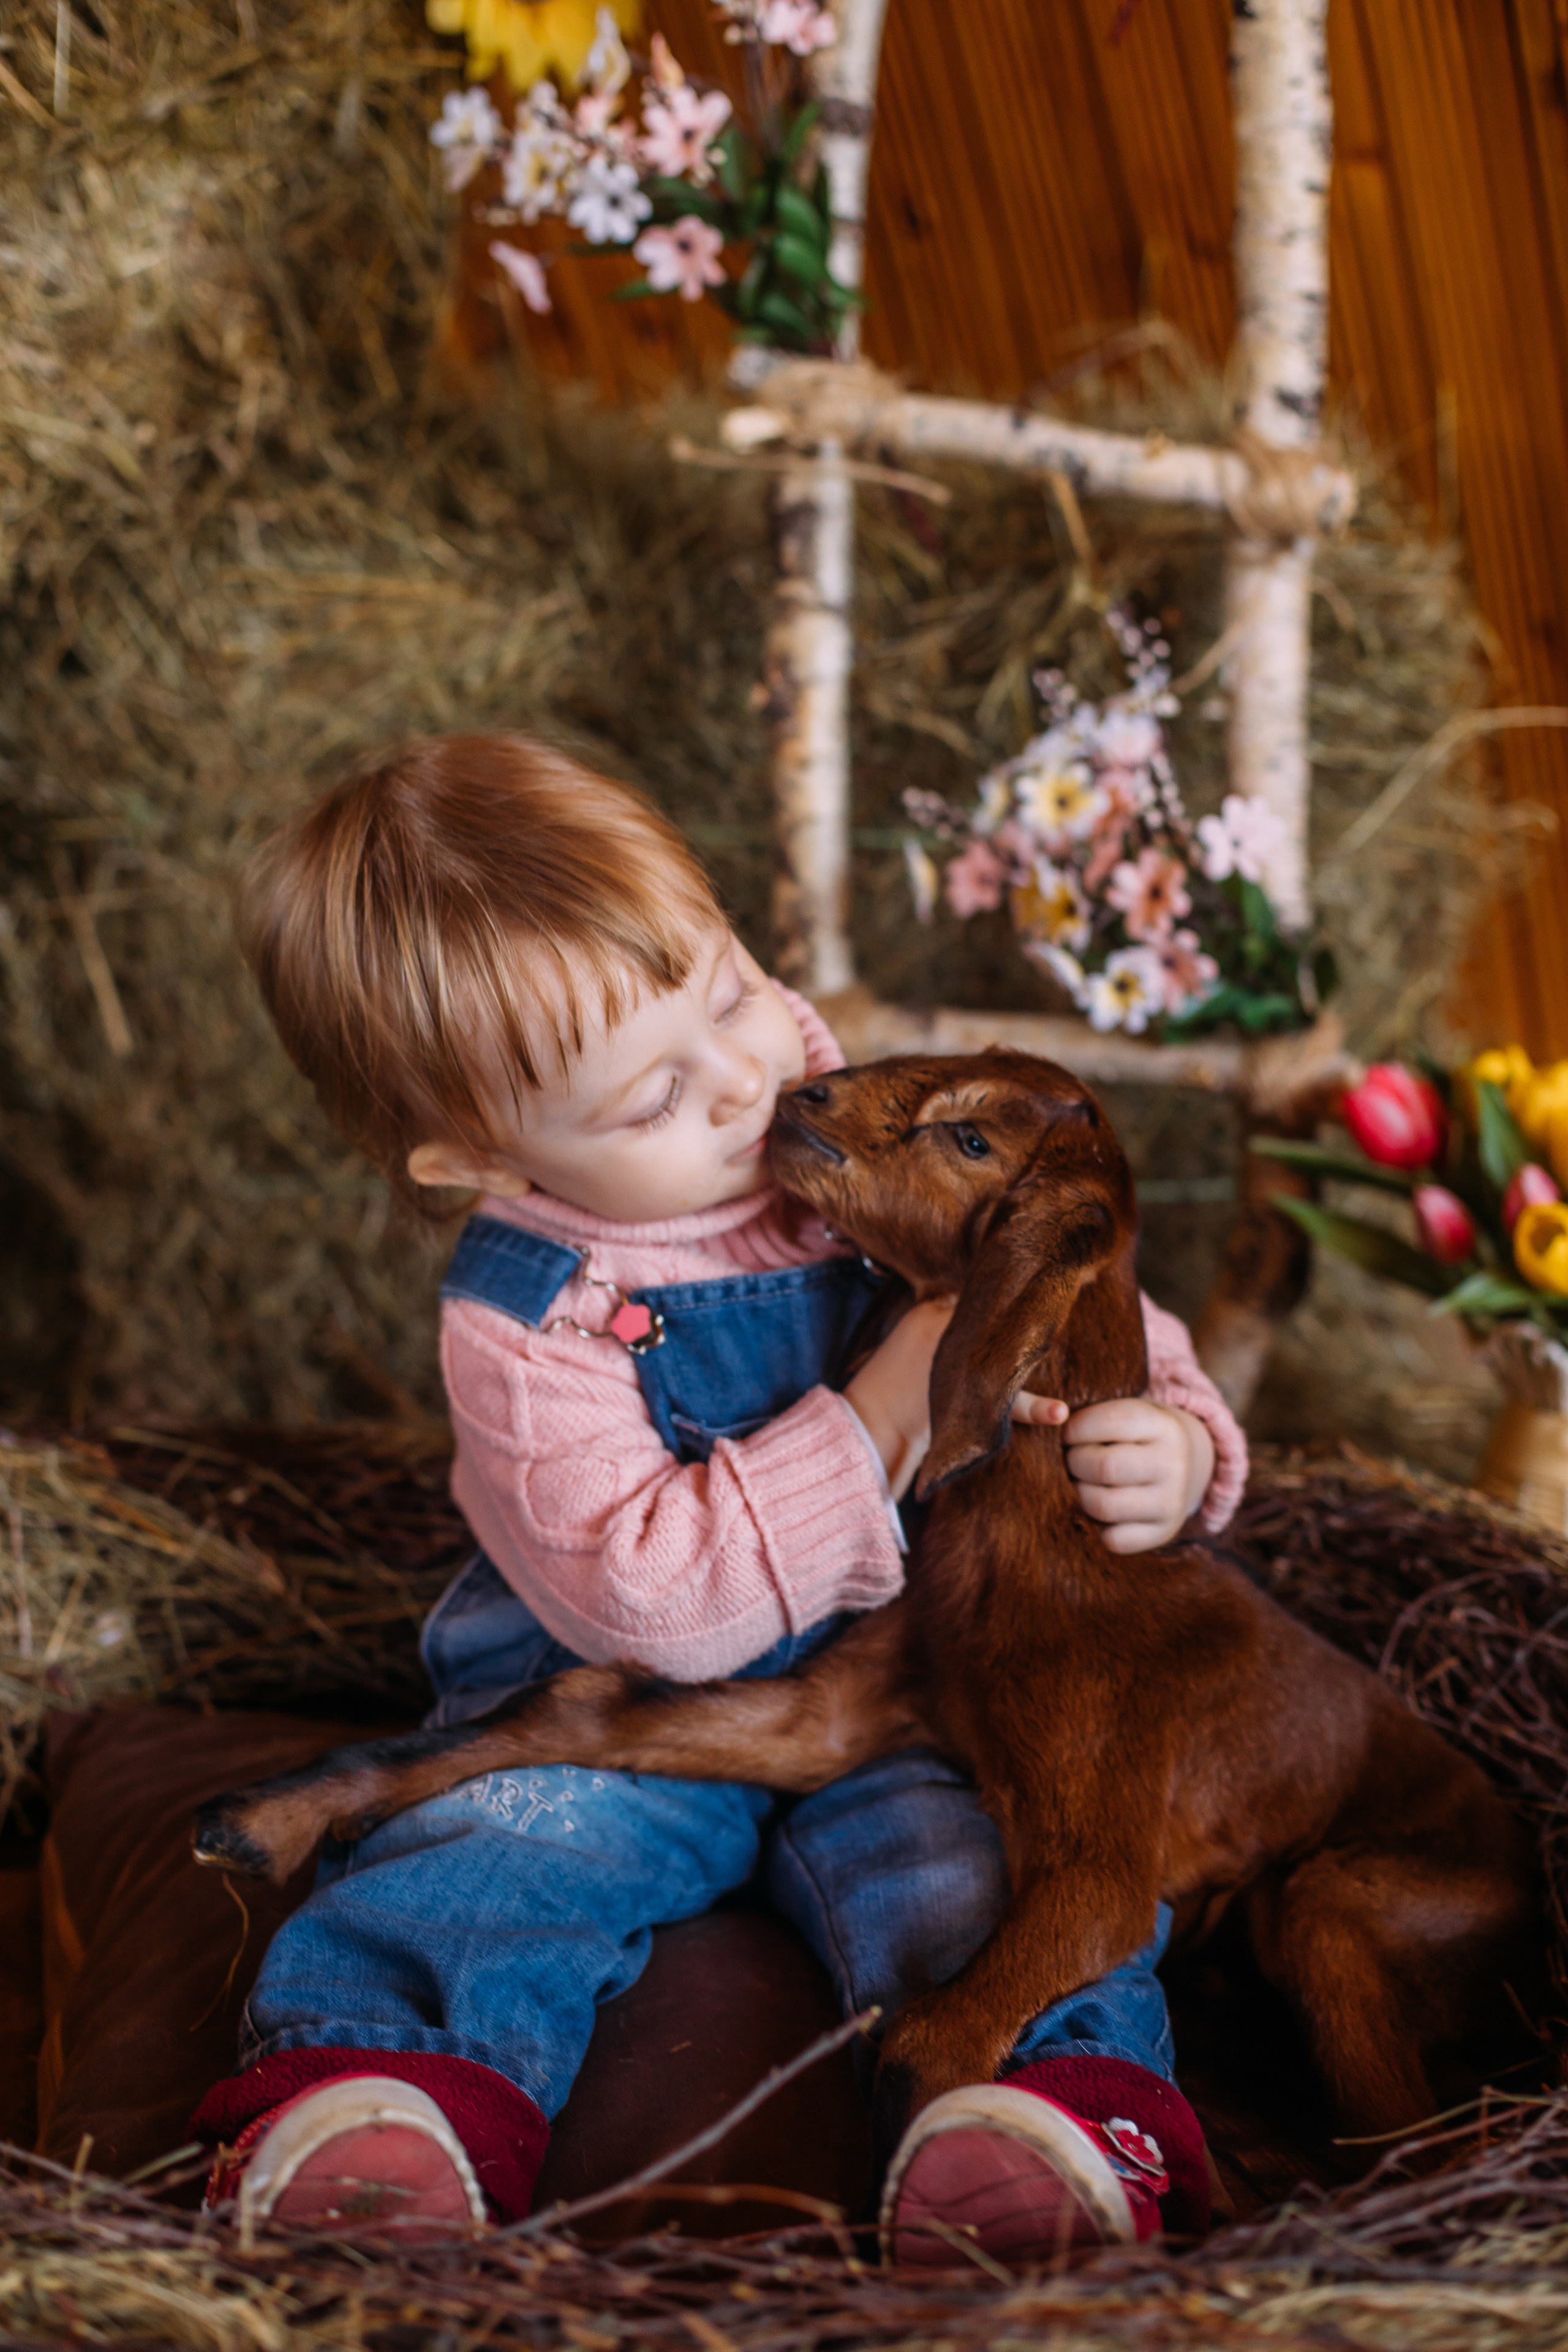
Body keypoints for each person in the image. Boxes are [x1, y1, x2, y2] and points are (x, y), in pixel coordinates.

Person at [193, 734, 1246, 2261]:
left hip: (920, 1693)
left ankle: (1043, 2122)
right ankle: (378, 2102)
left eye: (731, 984)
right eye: (655, 1093)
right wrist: (881, 1413)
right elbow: (654, 1609)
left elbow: (1098, 1314)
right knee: (499, 1850)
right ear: (478, 1152)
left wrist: (1178, 1447)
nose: (748, 1074)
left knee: (992, 1869)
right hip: (614, 1703)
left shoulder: (865, 1114)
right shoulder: (526, 1317)